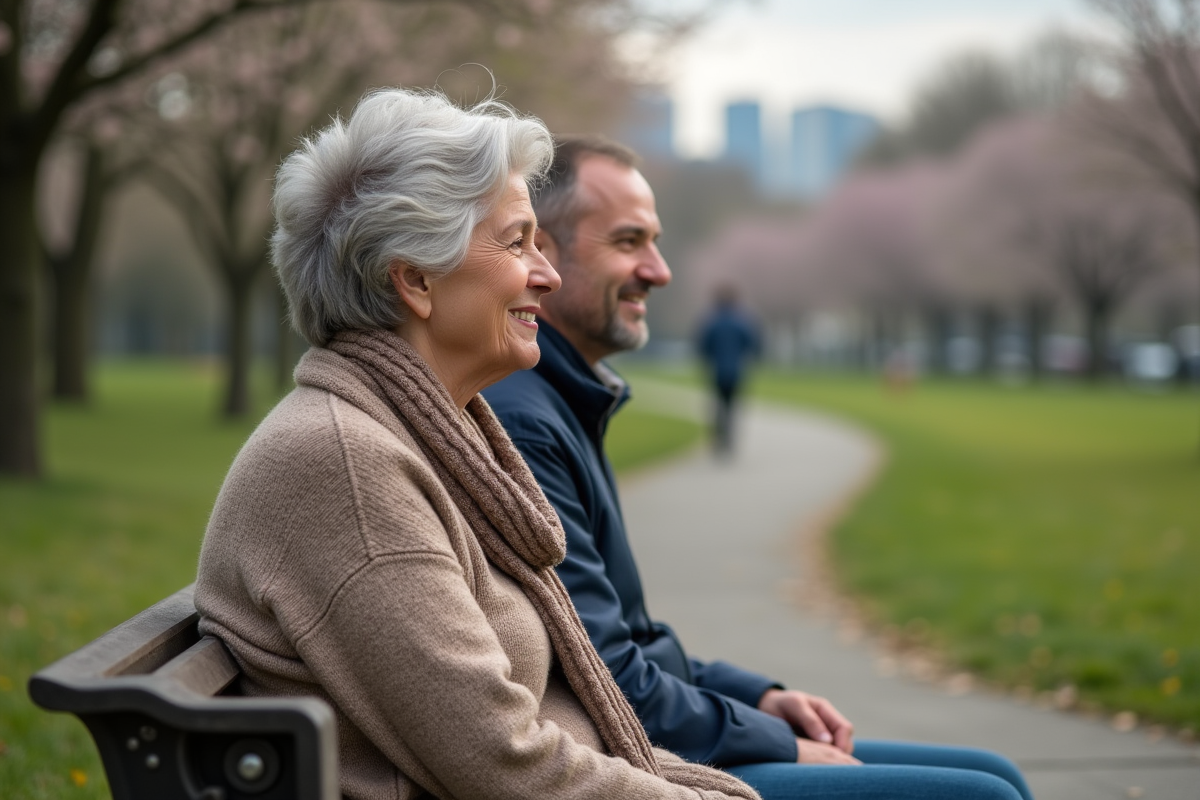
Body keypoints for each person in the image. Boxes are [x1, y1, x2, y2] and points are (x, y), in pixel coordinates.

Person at [194, 88, 763, 800]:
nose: (547, 275)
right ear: (415, 280)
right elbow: (506, 767)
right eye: (518, 241)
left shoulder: (413, 436)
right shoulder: (345, 465)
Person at [482, 136, 1034, 800]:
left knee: (996, 773)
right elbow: (606, 676)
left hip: (652, 732)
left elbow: (634, 638)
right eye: (629, 242)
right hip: (630, 763)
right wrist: (774, 743)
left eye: (655, 242)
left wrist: (762, 698)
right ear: (540, 250)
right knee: (987, 797)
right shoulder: (525, 419)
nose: (658, 270)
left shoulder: (562, 400)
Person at [696, 284, 761, 454]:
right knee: (731, 405)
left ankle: (719, 437)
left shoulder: (712, 321)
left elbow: (703, 346)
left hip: (717, 371)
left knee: (717, 405)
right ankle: (729, 438)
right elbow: (752, 344)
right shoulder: (742, 321)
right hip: (736, 371)